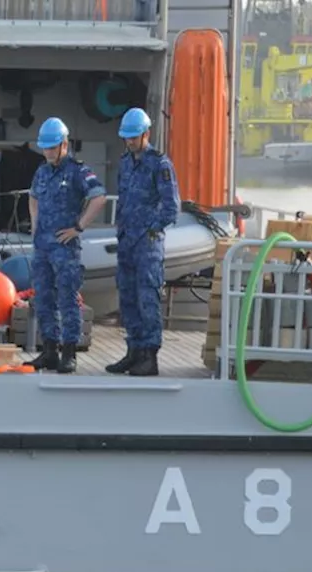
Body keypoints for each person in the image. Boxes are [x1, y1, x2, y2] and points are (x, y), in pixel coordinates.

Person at [24, 117, 107, 374]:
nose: (48, 152)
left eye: (52, 147)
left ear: (64, 144)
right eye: (45, 148)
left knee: (68, 299)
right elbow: (33, 196)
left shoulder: (78, 171)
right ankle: (49, 350)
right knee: (43, 297)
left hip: (64, 247)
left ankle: (69, 352)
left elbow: (99, 197)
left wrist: (79, 227)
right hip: (43, 246)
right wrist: (35, 226)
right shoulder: (42, 171)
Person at [106, 107, 180, 378]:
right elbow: (124, 199)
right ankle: (134, 351)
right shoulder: (125, 162)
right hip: (127, 240)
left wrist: (151, 230)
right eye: (126, 137)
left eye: (134, 137)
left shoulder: (160, 164)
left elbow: (172, 207)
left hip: (147, 244)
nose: (129, 142)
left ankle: (149, 356)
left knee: (147, 297)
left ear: (146, 134)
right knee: (127, 297)